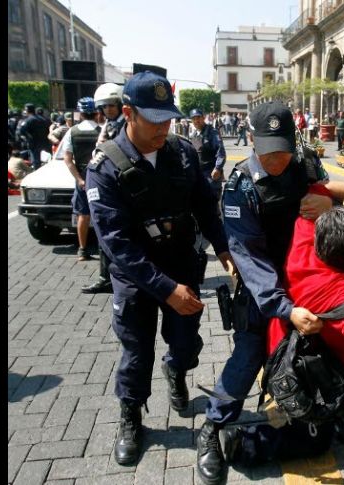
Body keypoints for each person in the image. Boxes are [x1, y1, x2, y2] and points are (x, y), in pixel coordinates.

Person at [195, 101, 344, 485]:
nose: (278, 160)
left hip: (310, 276)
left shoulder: (302, 162)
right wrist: (284, 309)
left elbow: (324, 187)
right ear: (252, 140)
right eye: (269, 151)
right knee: (249, 356)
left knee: (335, 347)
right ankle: (213, 429)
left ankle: (334, 408)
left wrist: (333, 200)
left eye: (284, 149)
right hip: (267, 291)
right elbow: (249, 260)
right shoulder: (239, 188)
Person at [85, 71, 235, 466]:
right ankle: (131, 416)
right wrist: (166, 288)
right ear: (128, 113)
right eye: (154, 120)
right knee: (136, 352)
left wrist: (224, 249)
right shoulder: (105, 166)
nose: (163, 128)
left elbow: (205, 204)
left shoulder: (182, 152)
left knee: (185, 344)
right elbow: (117, 244)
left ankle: (177, 372)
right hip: (137, 276)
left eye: (168, 118)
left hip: (182, 263)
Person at [218, 199, 344, 467]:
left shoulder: (302, 241)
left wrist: (333, 199)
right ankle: (243, 443)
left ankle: (337, 411)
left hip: (275, 350)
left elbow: (316, 191)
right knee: (316, 441)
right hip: (298, 375)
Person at [81, 83, 127, 294]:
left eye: (111, 105)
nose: (108, 110)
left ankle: (116, 277)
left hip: (120, 182)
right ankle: (106, 277)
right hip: (107, 181)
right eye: (104, 106)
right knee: (104, 232)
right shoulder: (109, 124)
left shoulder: (124, 125)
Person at [62, 97, 100, 261]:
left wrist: (79, 179)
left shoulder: (72, 132)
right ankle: (104, 248)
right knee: (101, 214)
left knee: (83, 215)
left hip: (82, 178)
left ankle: (82, 250)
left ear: (80, 114)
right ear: (97, 113)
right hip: (99, 178)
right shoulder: (103, 131)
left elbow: (68, 160)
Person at [188, 108, 227, 204]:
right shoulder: (193, 135)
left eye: (198, 118)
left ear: (203, 118)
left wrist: (218, 168)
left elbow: (221, 151)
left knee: (212, 201)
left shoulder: (212, 132)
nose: (196, 121)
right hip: (198, 174)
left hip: (211, 174)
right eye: (194, 119)